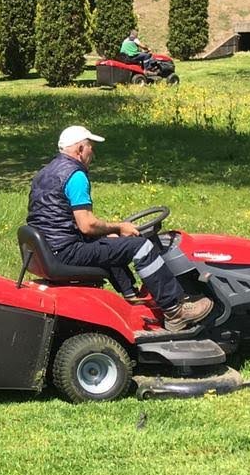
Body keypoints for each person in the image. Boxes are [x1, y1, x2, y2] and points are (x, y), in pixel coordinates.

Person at [26, 125, 213, 332]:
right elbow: (86, 225)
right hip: (66, 250)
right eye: (90, 147)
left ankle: (132, 297)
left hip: (50, 248)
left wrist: (111, 233)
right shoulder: (75, 176)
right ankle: (175, 310)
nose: (92, 152)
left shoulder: (44, 173)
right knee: (142, 246)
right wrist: (120, 226)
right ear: (80, 149)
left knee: (113, 242)